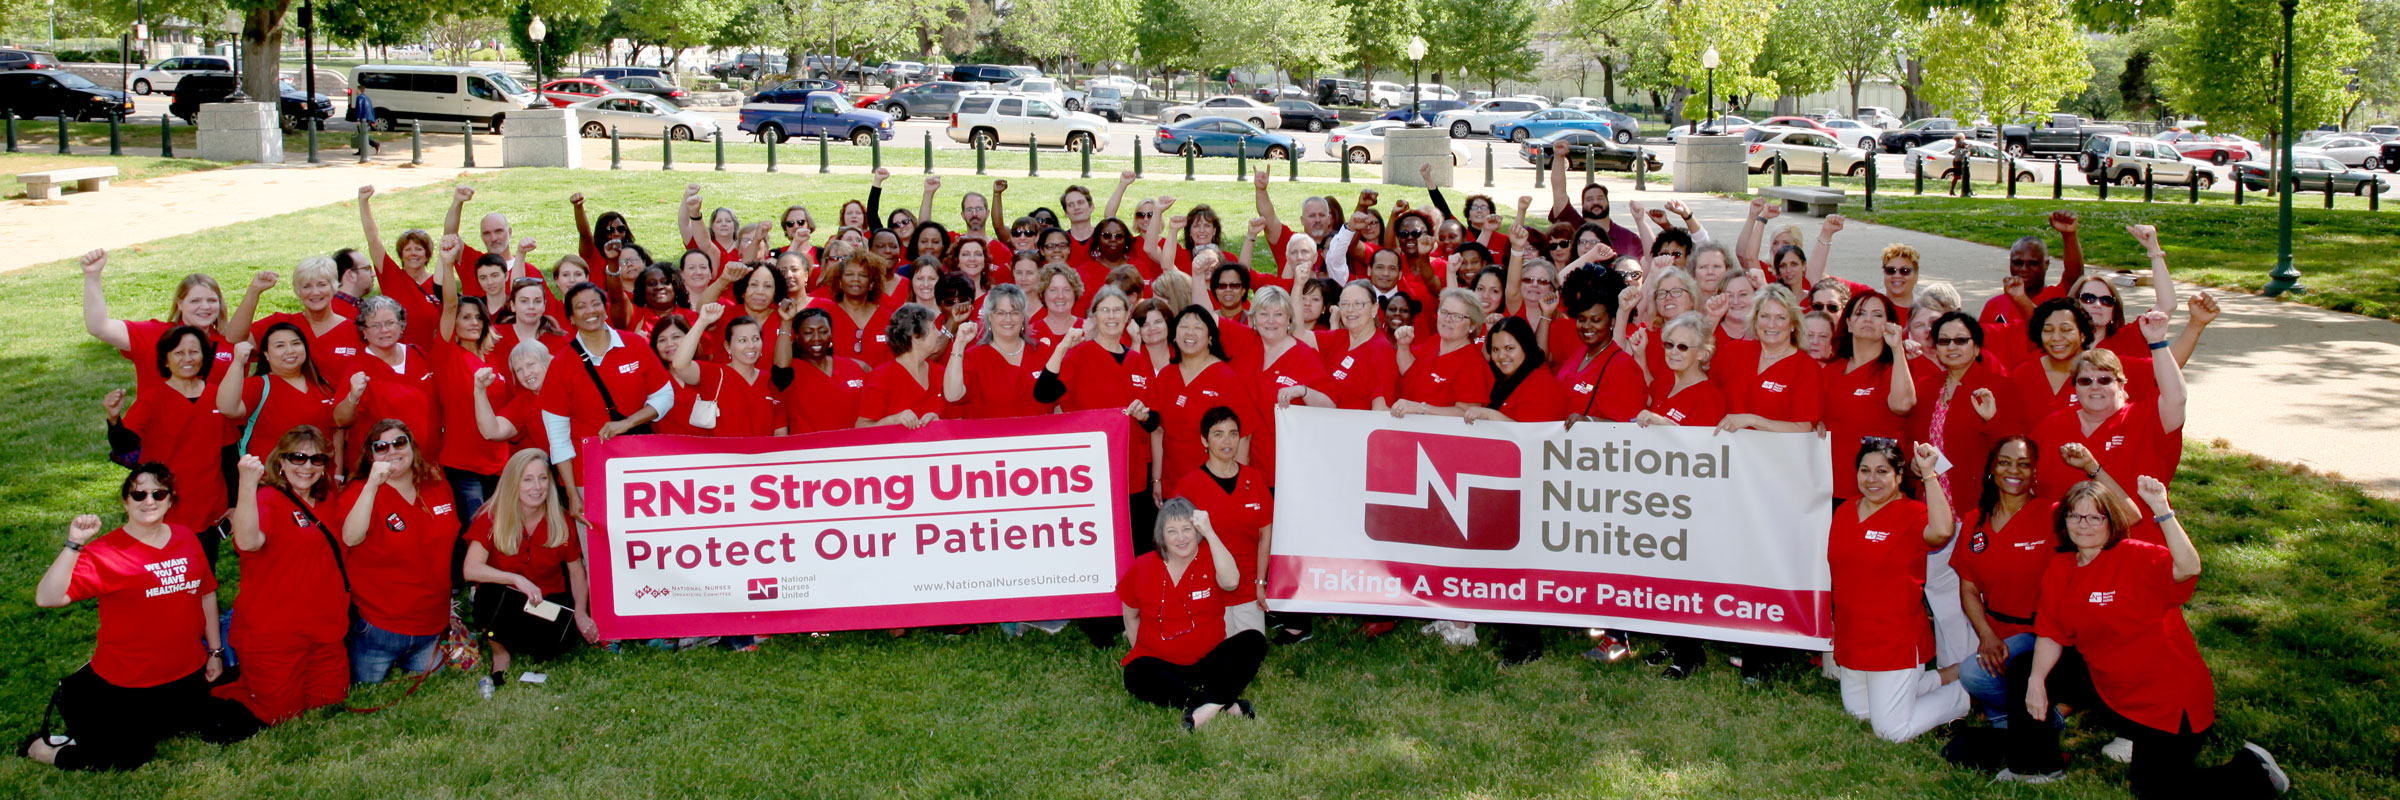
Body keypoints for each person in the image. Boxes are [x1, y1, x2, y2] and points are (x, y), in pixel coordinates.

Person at [2000, 478, 2291, 795]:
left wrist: (2162, 509)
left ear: (2112, 521)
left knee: (2155, 790)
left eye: (2095, 517)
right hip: (2108, 681)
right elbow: (2051, 633)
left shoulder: (2138, 557)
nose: (2083, 525)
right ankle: (2040, 766)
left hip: (2165, 697)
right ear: (2064, 520)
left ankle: (2253, 771)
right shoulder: (2061, 566)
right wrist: (2036, 682)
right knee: (2026, 668)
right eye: (2074, 515)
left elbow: (2189, 567)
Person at [25, 463, 255, 770]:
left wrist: (215, 652)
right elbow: (47, 597)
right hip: (127, 685)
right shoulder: (105, 552)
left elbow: (206, 594)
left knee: (236, 726)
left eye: (159, 493)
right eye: (139, 494)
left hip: (185, 676)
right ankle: (46, 749)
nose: (149, 501)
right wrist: (74, 544)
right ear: (126, 501)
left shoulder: (186, 539)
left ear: (170, 500)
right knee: (128, 756)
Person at [1831, 439, 1970, 742]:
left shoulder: (1913, 514)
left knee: (1890, 730)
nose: (1872, 479)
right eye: (1865, 470)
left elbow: (1943, 531)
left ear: (1898, 476)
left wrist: (1930, 474)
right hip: (1853, 637)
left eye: (1882, 471)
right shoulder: (1844, 511)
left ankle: (1963, 694)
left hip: (1893, 641)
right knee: (1859, 713)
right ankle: (1942, 677)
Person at [214, 428, 349, 725]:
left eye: (316, 459)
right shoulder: (266, 499)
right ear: (281, 462)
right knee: (280, 715)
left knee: (330, 700)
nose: (307, 466)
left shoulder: (327, 498)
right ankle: (236, 686)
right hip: (275, 631)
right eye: (298, 457)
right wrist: (246, 487)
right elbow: (248, 543)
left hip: (324, 625)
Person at [2032, 310, 2187, 545]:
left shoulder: (2147, 418)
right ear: (2074, 388)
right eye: (2085, 381)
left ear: (2122, 383)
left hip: (2136, 546)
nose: (2095, 387)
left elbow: (2176, 398)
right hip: (2071, 551)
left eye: (2105, 379)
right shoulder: (2053, 425)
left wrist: (2157, 341)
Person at [1117, 498, 1265, 730]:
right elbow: (1130, 615)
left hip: (1208, 662)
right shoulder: (1143, 565)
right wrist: (1141, 652)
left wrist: (1210, 533)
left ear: (1197, 531)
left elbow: (1231, 581)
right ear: (1161, 535)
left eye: (1187, 529)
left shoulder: (1211, 555)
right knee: (1135, 673)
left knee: (1253, 640)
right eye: (1172, 531)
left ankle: (1203, 709)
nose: (1181, 538)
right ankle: (1221, 704)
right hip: (1162, 663)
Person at [1037, 288, 1162, 549]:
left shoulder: (1138, 360)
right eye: (1105, 310)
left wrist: (1143, 415)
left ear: (1128, 316)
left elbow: (1154, 421)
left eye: (1118, 310)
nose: (1112, 316)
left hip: (1132, 474)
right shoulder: (1079, 356)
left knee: (1134, 546)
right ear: (1093, 316)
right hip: (1089, 475)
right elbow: (1044, 394)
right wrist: (1062, 347)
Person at [462, 449, 594, 691]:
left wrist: (581, 613)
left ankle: (528, 640)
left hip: (545, 598)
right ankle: (499, 652)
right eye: (527, 479)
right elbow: (470, 570)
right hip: (504, 597)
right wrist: (515, 579)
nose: (537, 487)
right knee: (487, 598)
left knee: (558, 644)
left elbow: (576, 571)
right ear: (514, 482)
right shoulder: (491, 517)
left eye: (542, 478)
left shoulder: (561, 519)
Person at [339, 420, 459, 684]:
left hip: (431, 626)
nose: (392, 450)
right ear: (370, 456)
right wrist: (372, 485)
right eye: (380, 446)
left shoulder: (436, 485)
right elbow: (350, 537)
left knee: (431, 691)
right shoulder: (358, 492)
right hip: (378, 628)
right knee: (363, 690)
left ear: (412, 447)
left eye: (399, 443)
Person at [540, 282, 673, 516]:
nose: (590, 311)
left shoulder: (634, 344)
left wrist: (627, 423)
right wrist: (573, 493)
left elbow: (665, 396)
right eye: (581, 307)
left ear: (605, 308)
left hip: (640, 465)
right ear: (571, 317)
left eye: (595, 304)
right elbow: (558, 439)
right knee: (600, 550)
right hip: (589, 475)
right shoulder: (561, 364)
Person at [1949, 435, 2054, 728]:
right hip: (1995, 633)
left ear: (2035, 472)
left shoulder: (2052, 515)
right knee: (1975, 676)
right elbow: (1968, 587)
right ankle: (2013, 720)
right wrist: (1986, 634)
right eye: (2005, 463)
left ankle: (2037, 719)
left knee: (1971, 674)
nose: (2013, 471)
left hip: (2040, 634)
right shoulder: (1974, 520)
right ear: (1992, 469)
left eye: (2024, 465)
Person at [117, 325, 235, 537]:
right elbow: (124, 445)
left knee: (204, 565)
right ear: (165, 360)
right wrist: (113, 419)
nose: (187, 359)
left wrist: (234, 504)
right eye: (178, 353)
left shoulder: (219, 396)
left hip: (209, 506)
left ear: (204, 357)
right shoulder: (152, 399)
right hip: (164, 505)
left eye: (194, 352)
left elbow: (229, 455)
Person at [1171, 408, 1273, 639]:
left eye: (1233, 434)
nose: (1227, 441)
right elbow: (1175, 543)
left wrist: (1260, 583)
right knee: (1214, 652)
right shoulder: (1188, 486)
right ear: (1204, 440)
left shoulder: (1255, 479)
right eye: (1218, 434)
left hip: (1247, 589)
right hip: (1208, 590)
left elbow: (1265, 534)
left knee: (1250, 652)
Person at [79, 250, 240, 392]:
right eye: (195, 301)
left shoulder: (232, 342)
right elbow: (100, 327)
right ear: (180, 304)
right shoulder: (155, 334)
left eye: (211, 300)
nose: (204, 307)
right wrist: (92, 276)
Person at [1822, 290, 1916, 505]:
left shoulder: (1894, 370)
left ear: (1889, 324)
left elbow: (1903, 405)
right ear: (1849, 323)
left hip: (1877, 489)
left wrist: (1897, 348)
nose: (1868, 319)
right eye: (1861, 313)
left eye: (1877, 314)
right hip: (1830, 486)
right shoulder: (1831, 369)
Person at [1151, 307, 1258, 491]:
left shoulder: (1224, 377)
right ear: (1174, 336)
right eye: (1184, 326)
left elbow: (1243, 435)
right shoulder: (1166, 376)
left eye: (1198, 327)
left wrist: (1236, 484)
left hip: (1214, 485)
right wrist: (1156, 480)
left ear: (1210, 338)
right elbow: (1158, 431)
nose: (1190, 332)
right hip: (1172, 485)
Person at [1246, 286, 1332, 484]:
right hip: (1247, 465)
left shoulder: (1305, 356)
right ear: (1253, 318)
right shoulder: (1246, 345)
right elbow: (1206, 319)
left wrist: (1302, 391)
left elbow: (1330, 406)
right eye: (1264, 314)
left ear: (1289, 319)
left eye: (1278, 314)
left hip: (1289, 470)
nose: (1270, 320)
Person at [1712, 284, 1821, 435]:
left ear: (1793, 325)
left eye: (1781, 318)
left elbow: (1802, 428)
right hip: (1731, 453)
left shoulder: (1806, 367)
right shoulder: (1732, 352)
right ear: (1755, 320)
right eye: (1765, 316)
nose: (1771, 324)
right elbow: (1706, 390)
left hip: (1776, 455)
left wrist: (1752, 420)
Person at [670, 303, 786, 437]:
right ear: (728, 347)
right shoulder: (715, 374)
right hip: (723, 455)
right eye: (742, 340)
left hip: (763, 456)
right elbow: (680, 365)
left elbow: (780, 432)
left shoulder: (771, 381)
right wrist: (702, 322)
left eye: (756, 339)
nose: (751, 346)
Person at [944, 284, 1055, 420]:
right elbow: (952, 395)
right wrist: (959, 344)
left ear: (1023, 317)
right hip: (990, 439)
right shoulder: (974, 357)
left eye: (1014, 312)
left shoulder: (1043, 352)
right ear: (990, 316)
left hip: (1039, 437)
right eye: (1000, 313)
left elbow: (1059, 404)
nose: (1008, 319)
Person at [1390, 288, 1492, 419]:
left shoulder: (1472, 363)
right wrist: (1403, 346)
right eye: (1444, 312)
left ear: (1472, 326)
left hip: (1439, 436)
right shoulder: (1436, 340)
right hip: (1410, 429)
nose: (1448, 319)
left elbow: (1467, 413)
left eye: (1457, 316)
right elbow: (1409, 371)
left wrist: (1421, 408)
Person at [775, 307, 871, 434]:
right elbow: (780, 368)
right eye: (808, 332)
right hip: (810, 451)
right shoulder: (790, 372)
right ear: (797, 337)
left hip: (854, 450)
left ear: (831, 334)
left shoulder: (858, 367)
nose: (817, 338)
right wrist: (786, 322)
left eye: (823, 331)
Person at [856, 304, 950, 428]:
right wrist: (893, 420)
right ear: (916, 336)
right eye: (933, 328)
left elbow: (957, 420)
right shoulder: (881, 377)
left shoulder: (941, 373)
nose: (939, 334)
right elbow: (861, 428)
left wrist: (939, 421)